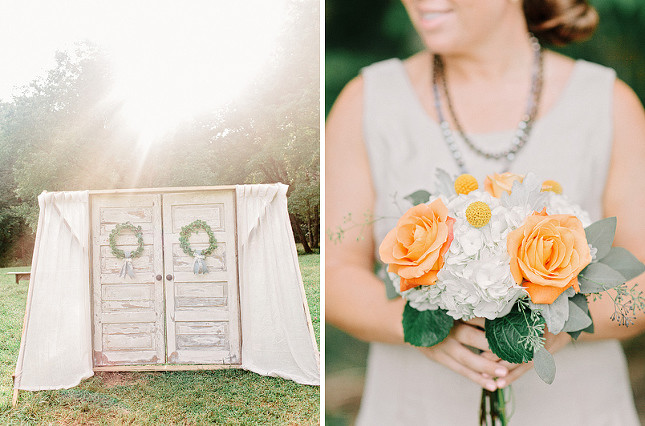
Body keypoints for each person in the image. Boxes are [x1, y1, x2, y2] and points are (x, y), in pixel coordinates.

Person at [325, 0, 645, 424]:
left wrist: (556, 326)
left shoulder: (608, 103)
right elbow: (331, 269)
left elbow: (639, 280)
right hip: (415, 409)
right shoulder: (367, 101)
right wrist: (427, 331)